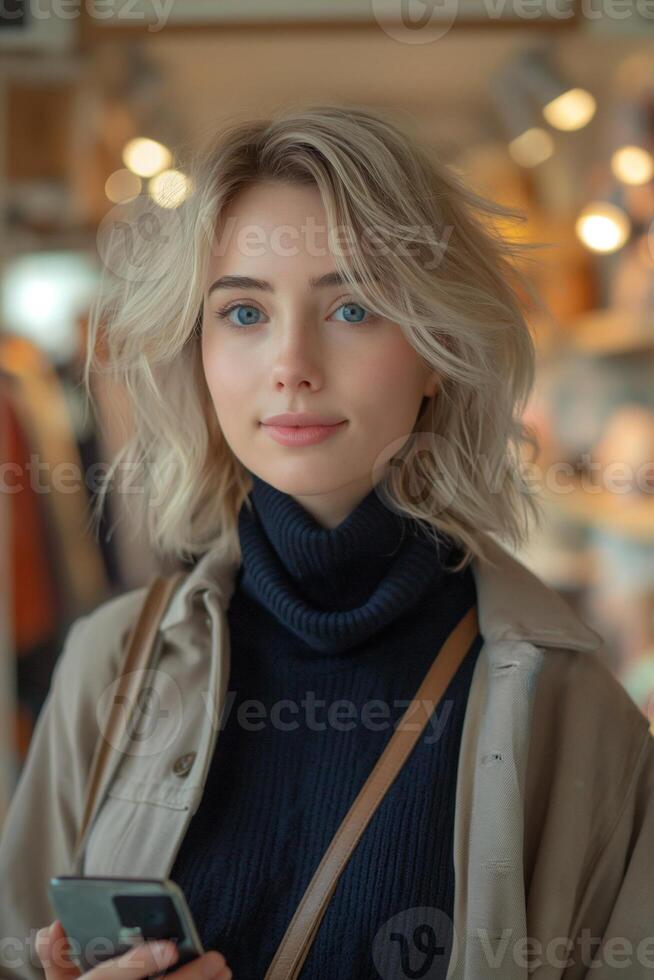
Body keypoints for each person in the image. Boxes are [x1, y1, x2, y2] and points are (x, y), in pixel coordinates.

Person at [1, 104, 652, 980]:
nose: (291, 363)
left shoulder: (576, 713)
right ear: (197, 352)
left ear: (436, 352)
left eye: (352, 307)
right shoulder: (112, 665)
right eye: (242, 313)